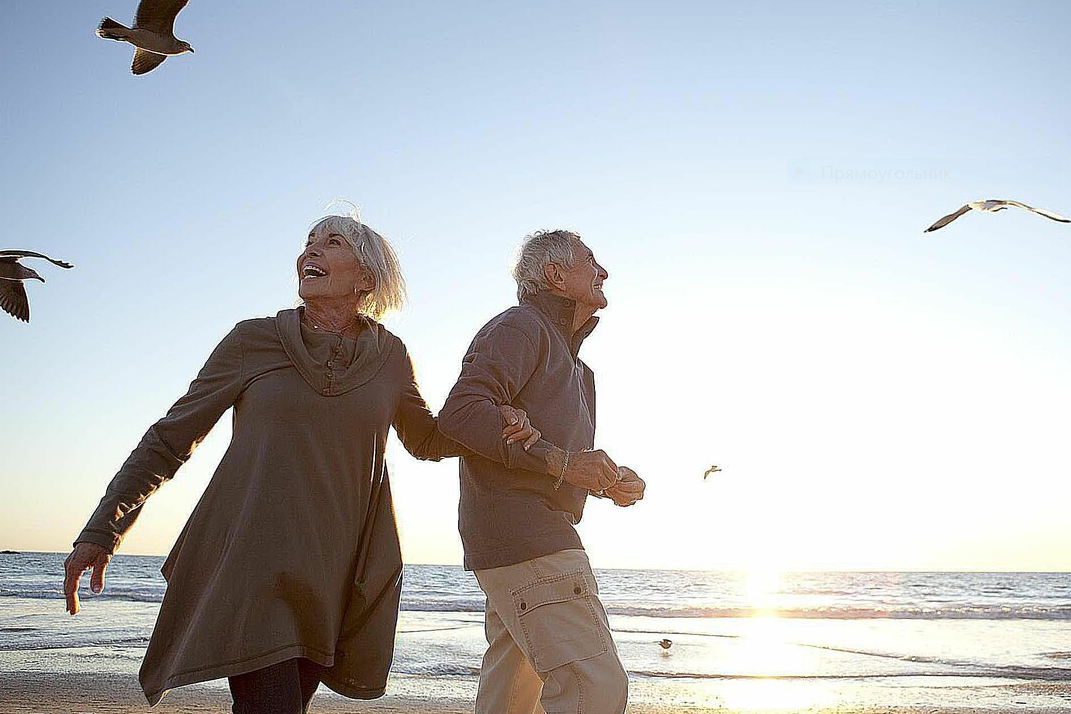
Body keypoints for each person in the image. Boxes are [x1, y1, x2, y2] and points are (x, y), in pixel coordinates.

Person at [62, 211, 542, 713]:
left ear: (366, 278)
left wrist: (498, 420)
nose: (309, 252)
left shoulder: (391, 356)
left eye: (330, 243)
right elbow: (169, 439)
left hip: (336, 572)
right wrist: (103, 529)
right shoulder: (252, 341)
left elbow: (427, 440)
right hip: (251, 560)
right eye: (308, 243)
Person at [438, 229, 646, 714]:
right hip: (528, 537)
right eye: (590, 261)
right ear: (556, 275)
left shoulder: (580, 370)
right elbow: (461, 413)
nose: (604, 272)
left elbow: (557, 464)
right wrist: (566, 463)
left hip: (518, 544)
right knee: (593, 689)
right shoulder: (521, 326)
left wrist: (607, 481)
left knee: (510, 698)